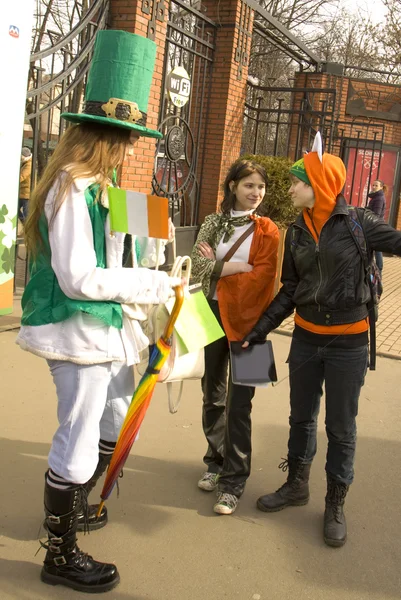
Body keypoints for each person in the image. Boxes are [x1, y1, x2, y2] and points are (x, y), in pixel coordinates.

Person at [16, 31, 181, 594]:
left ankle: (76, 512)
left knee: (108, 418)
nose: (134, 150)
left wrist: (154, 249)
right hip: (76, 332)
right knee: (79, 439)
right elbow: (80, 279)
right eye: (128, 139)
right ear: (104, 138)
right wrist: (153, 283)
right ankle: (59, 555)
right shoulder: (71, 186)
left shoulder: (97, 187)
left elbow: (127, 246)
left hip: (102, 332)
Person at [243, 134, 401, 547]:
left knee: (341, 427)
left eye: (298, 180)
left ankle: (335, 503)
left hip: (349, 344)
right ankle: (296, 485)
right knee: (301, 418)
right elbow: (291, 289)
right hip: (306, 340)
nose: (291, 187)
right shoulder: (296, 231)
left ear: (319, 185)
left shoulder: (359, 223)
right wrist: (259, 329)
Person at [191, 159, 279, 515]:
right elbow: (197, 265)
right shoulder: (213, 222)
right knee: (212, 392)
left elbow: (264, 278)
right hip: (209, 313)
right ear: (232, 187)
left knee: (242, 404)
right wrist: (238, 267)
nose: (255, 193)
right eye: (248, 186)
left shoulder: (269, 230)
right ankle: (215, 461)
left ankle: (234, 482)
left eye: (260, 186)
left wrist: (222, 268)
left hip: (254, 323)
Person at [367, 179, 387, 293]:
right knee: (377, 250)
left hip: (376, 228)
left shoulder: (379, 198)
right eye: (373, 185)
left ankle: (378, 276)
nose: (374, 186)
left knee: (377, 251)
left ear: (381, 187)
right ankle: (377, 274)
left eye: (376, 185)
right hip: (376, 227)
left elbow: (376, 215)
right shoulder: (376, 197)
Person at [18, 147, 32, 223]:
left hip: (26, 192)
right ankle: (25, 228)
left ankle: (26, 228)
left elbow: (22, 176)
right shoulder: (25, 163)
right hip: (24, 191)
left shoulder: (28, 165)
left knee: (26, 213)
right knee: (22, 211)